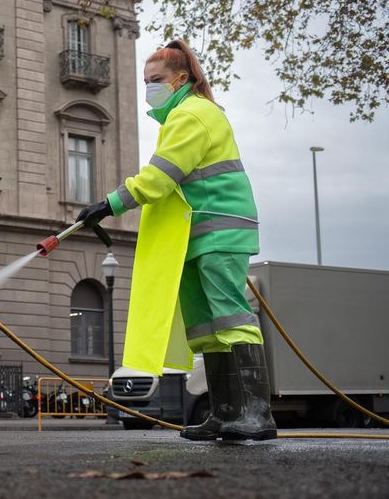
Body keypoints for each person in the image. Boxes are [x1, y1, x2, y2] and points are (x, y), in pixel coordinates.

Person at [78, 40, 276, 441]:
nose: (149, 88)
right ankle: (225, 414)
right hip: (197, 234)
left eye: (156, 80)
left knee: (233, 319)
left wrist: (108, 203)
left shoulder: (193, 115)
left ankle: (258, 416)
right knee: (208, 328)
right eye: (146, 81)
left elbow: (159, 177)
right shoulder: (181, 118)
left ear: (181, 79)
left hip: (219, 230)